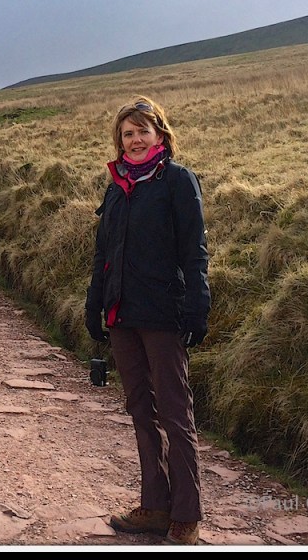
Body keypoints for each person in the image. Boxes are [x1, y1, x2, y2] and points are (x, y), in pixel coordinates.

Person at [84, 95, 210, 545]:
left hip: (162, 312)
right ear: (120, 142)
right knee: (140, 409)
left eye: (143, 131)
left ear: (161, 134)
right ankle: (155, 507)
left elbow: (194, 250)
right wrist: (94, 302)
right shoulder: (117, 186)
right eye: (128, 134)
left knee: (175, 414)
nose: (136, 140)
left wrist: (198, 303)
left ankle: (186, 514)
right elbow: (103, 252)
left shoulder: (178, 181)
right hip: (123, 313)